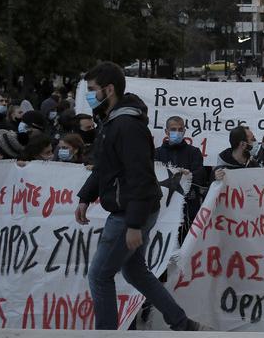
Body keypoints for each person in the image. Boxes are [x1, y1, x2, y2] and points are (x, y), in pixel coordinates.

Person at [75, 61, 194, 331]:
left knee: (99, 276)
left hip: (129, 212)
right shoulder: (112, 122)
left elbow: (140, 175)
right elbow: (107, 167)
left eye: (92, 90)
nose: (89, 95)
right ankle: (180, 322)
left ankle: (107, 334)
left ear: (109, 89)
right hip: (134, 209)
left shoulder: (127, 126)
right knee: (134, 271)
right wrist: (86, 196)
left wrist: (133, 224)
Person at [154, 116, 206, 228]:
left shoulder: (194, 152)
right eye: (173, 129)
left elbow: (200, 176)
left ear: (184, 131)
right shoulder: (156, 153)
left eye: (180, 129)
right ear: (166, 132)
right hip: (163, 208)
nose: (177, 132)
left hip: (188, 208)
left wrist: (188, 176)